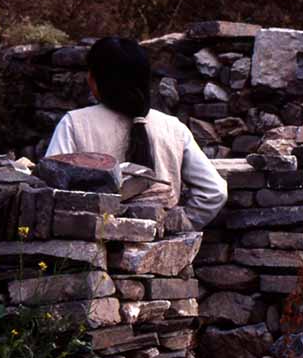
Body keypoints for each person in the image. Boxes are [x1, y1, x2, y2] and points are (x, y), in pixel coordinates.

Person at [46, 37, 227, 229]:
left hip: (95, 246)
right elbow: (215, 191)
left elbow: (51, 188)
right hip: (161, 250)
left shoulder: (75, 124)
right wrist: (181, 225)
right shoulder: (173, 127)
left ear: (93, 80)